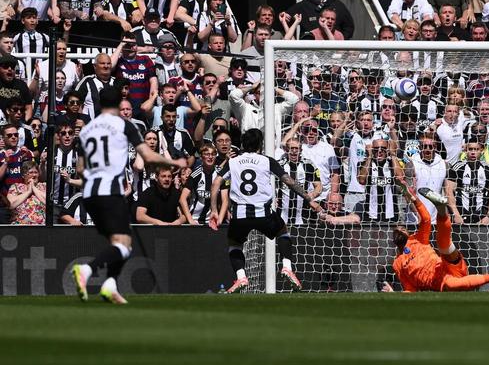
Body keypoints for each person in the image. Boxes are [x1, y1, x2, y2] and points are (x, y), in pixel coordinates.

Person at [71, 86, 186, 305]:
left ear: (100, 103)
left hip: (89, 194)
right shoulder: (123, 125)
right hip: (110, 192)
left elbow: (80, 168)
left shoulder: (86, 130)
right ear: (118, 103)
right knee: (124, 245)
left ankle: (110, 285)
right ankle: (87, 270)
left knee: (119, 243)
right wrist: (174, 162)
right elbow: (148, 156)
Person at [208, 128, 322, 293]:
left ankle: (241, 277)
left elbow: (215, 184)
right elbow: (288, 181)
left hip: (240, 214)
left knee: (234, 244)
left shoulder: (232, 162)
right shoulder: (267, 161)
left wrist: (214, 209)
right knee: (282, 232)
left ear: (242, 144)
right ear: (260, 145)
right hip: (264, 213)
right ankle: (287, 267)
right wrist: (308, 198)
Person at [383, 177, 489, 292]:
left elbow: (426, 219)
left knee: (443, 244)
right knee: (451, 284)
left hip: (447, 265)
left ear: (408, 233)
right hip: (442, 282)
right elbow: (410, 290)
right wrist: (393, 293)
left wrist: (413, 198)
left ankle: (441, 208)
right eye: (397, 229)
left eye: (401, 228)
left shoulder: (416, 239)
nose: (399, 229)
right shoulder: (397, 264)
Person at [7, 160, 46, 225]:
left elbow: (47, 202)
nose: (34, 175)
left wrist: (33, 187)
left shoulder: (43, 186)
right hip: (19, 225)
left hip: (40, 226)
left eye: (36, 172)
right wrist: (28, 192)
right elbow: (11, 205)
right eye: (31, 173)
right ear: (23, 175)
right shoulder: (15, 187)